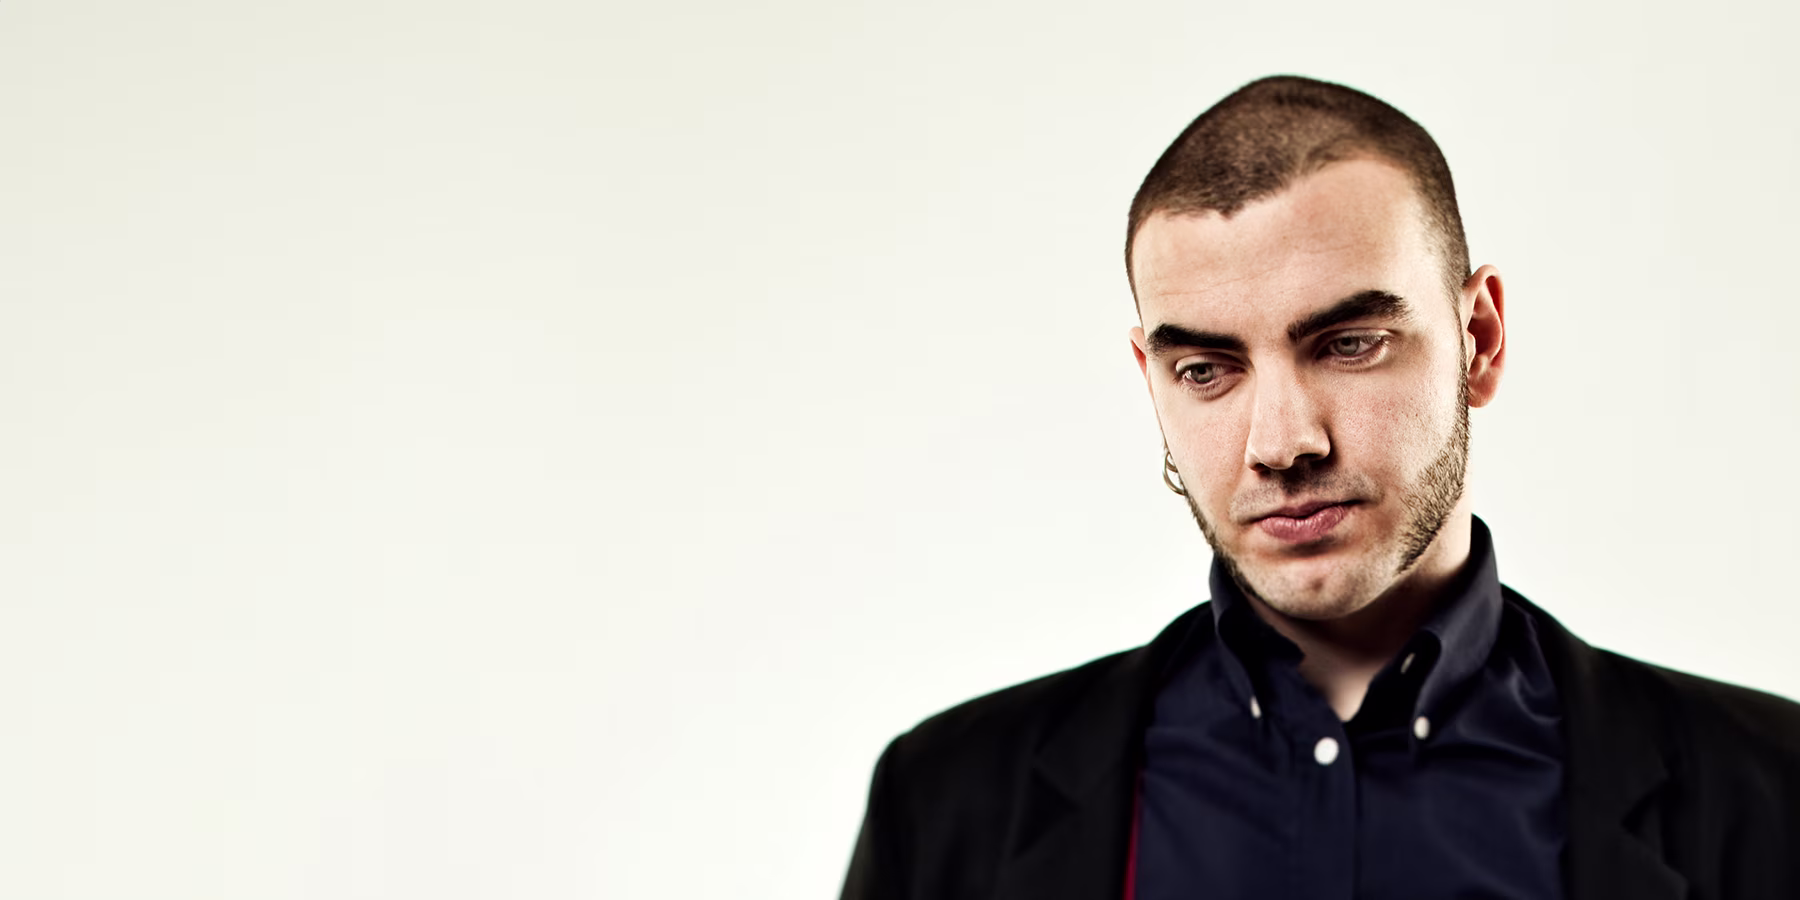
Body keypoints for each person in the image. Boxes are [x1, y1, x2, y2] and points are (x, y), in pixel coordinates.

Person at [838, 75, 1800, 900]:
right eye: (1206, 369)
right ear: (1150, 378)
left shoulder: (1772, 790)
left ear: (1479, 339)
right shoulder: (946, 801)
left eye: (1348, 345)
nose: (1282, 444)